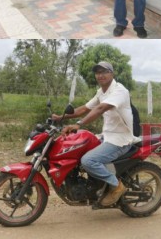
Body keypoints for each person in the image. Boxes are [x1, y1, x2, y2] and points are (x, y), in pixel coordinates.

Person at [53, 61, 134, 207]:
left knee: (88, 161)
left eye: (104, 71)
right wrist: (61, 117)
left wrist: (78, 124)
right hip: (106, 135)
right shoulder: (101, 92)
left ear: (112, 74)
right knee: (77, 151)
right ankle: (95, 186)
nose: (101, 75)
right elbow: (85, 108)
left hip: (120, 139)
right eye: (98, 72)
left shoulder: (120, 91)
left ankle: (116, 186)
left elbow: (100, 108)